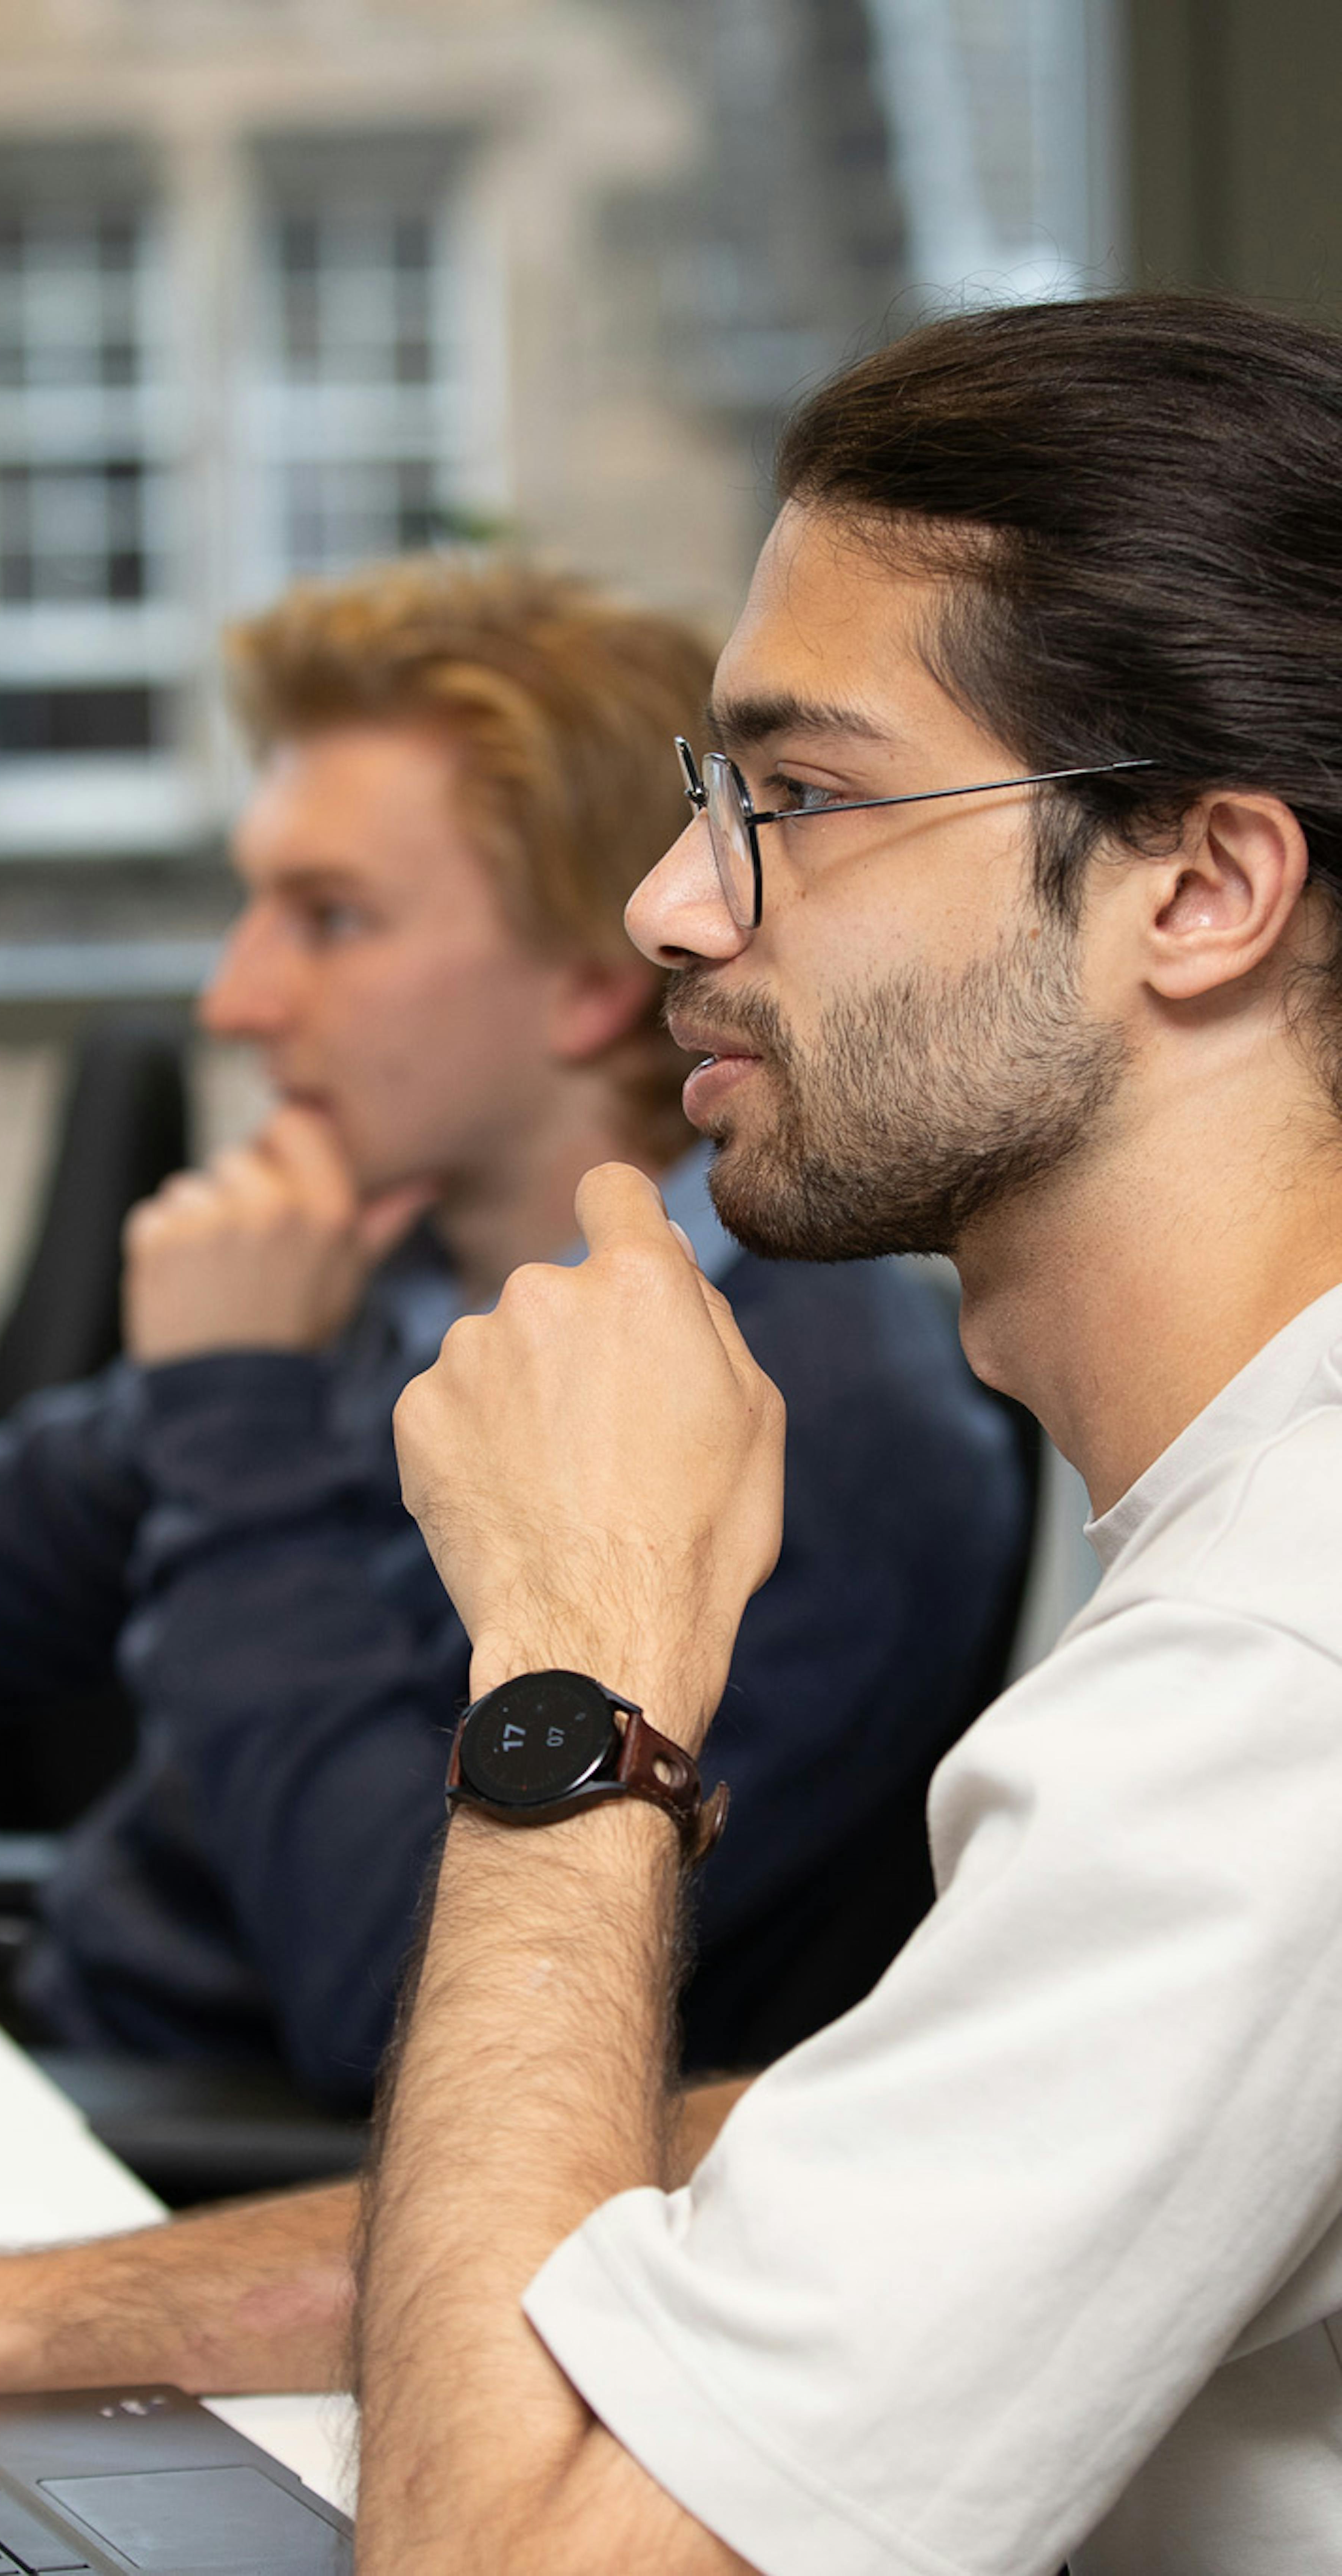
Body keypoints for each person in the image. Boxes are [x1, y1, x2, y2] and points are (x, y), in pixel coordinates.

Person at [326, 291, 1342, 2576]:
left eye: (804, 796)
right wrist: (6, 2315)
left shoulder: (1282, 1681)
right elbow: (821, 2163)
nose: (674, 903)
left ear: (1199, 887)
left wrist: (576, 1667)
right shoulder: (1232, 1531)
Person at [0, 555, 1026, 2114]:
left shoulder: (827, 1434)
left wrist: (236, 1408)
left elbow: (401, 2010)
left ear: (580, 983)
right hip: (60, 2062)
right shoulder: (394, 1287)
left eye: (331, 919)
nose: (237, 998)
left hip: (249, 2190)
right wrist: (230, 1402)